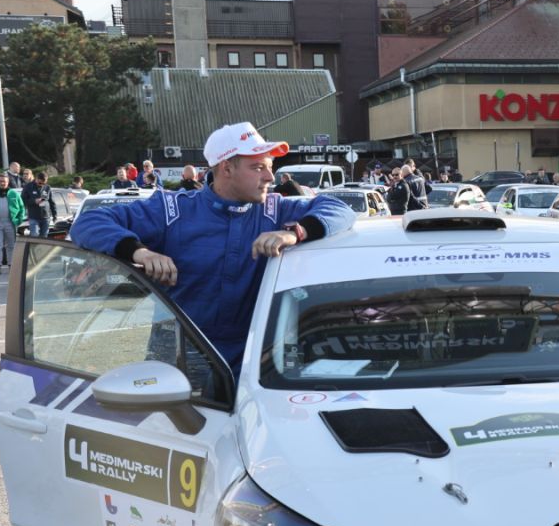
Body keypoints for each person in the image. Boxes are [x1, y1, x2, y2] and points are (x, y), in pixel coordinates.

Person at [69, 122, 355, 374]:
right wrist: (140, 252)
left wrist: (295, 232)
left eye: (270, 166)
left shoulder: (275, 210)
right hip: (178, 353)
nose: (270, 177)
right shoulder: (171, 209)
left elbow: (340, 208)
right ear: (226, 168)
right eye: (258, 167)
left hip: (254, 355)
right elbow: (87, 222)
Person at [0, 172, 26, 276]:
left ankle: (12, 266)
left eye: (4, 181)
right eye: (0, 181)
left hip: (10, 223)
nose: (2, 183)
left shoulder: (14, 194)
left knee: (11, 245)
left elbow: (22, 207)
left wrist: (19, 219)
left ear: (8, 182)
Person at [22, 170, 53, 238]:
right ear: (36, 179)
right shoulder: (28, 187)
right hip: (34, 216)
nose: (42, 185)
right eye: (40, 183)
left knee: (44, 238)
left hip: (45, 217)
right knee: (35, 236)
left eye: (43, 183)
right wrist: (34, 201)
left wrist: (54, 215)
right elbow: (23, 200)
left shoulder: (47, 187)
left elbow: (51, 202)